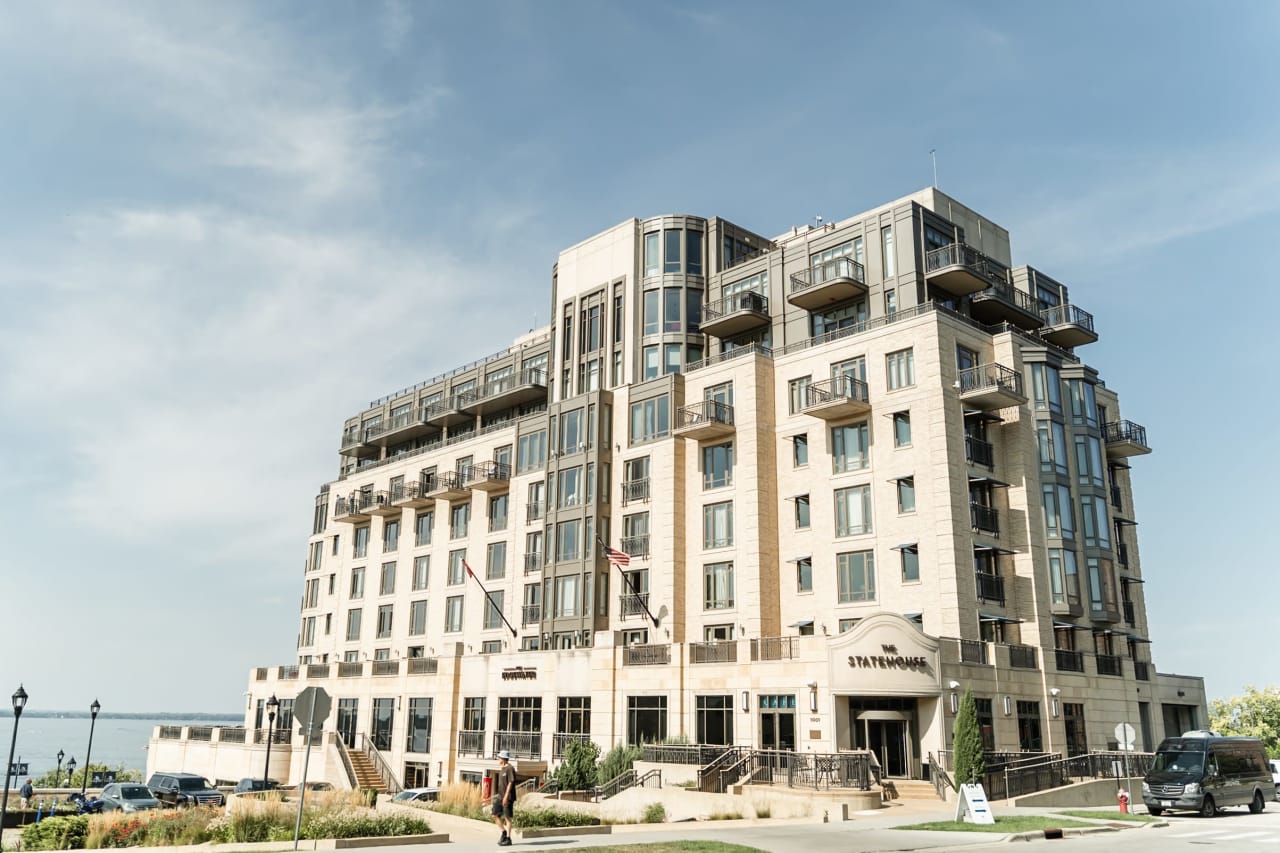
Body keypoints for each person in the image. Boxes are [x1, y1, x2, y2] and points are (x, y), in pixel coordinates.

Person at [491, 751, 516, 846]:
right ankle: (504, 832)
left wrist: (506, 796)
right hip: (500, 796)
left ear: (503, 759)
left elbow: (510, 783)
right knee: (494, 814)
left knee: (507, 817)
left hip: (508, 797)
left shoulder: (510, 768)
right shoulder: (502, 769)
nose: (498, 759)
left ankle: (508, 839)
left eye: (499, 757)